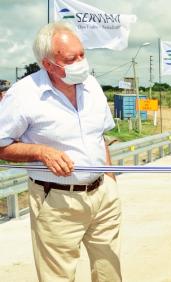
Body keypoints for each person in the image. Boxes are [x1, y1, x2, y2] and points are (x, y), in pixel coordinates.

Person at [0, 22, 121, 281]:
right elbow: (2, 145)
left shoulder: (93, 86)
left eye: (82, 55)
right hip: (56, 200)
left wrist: (110, 181)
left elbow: (101, 137)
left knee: (109, 272)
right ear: (48, 64)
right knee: (58, 276)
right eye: (70, 58)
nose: (81, 63)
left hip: (102, 195)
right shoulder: (23, 95)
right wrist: (40, 151)